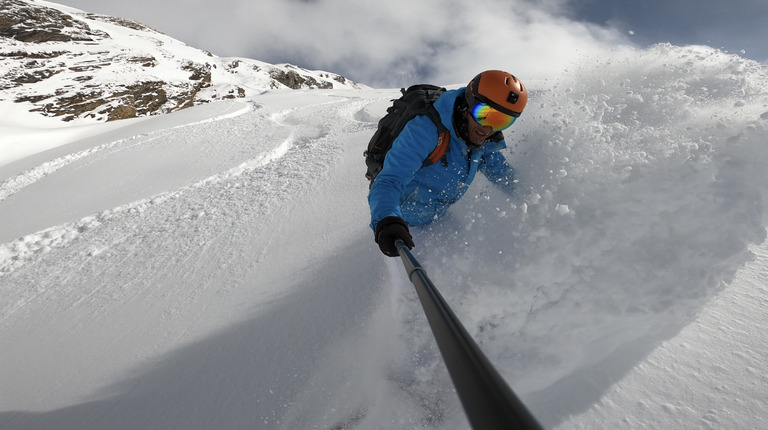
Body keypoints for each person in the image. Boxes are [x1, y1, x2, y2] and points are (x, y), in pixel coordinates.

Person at [368, 70, 528, 257]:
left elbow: (503, 176)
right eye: (483, 114)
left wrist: (529, 196)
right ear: (468, 103)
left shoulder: (481, 142)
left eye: (502, 121)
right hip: (401, 225)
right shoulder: (426, 130)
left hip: (437, 218)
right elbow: (389, 180)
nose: (488, 129)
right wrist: (388, 220)